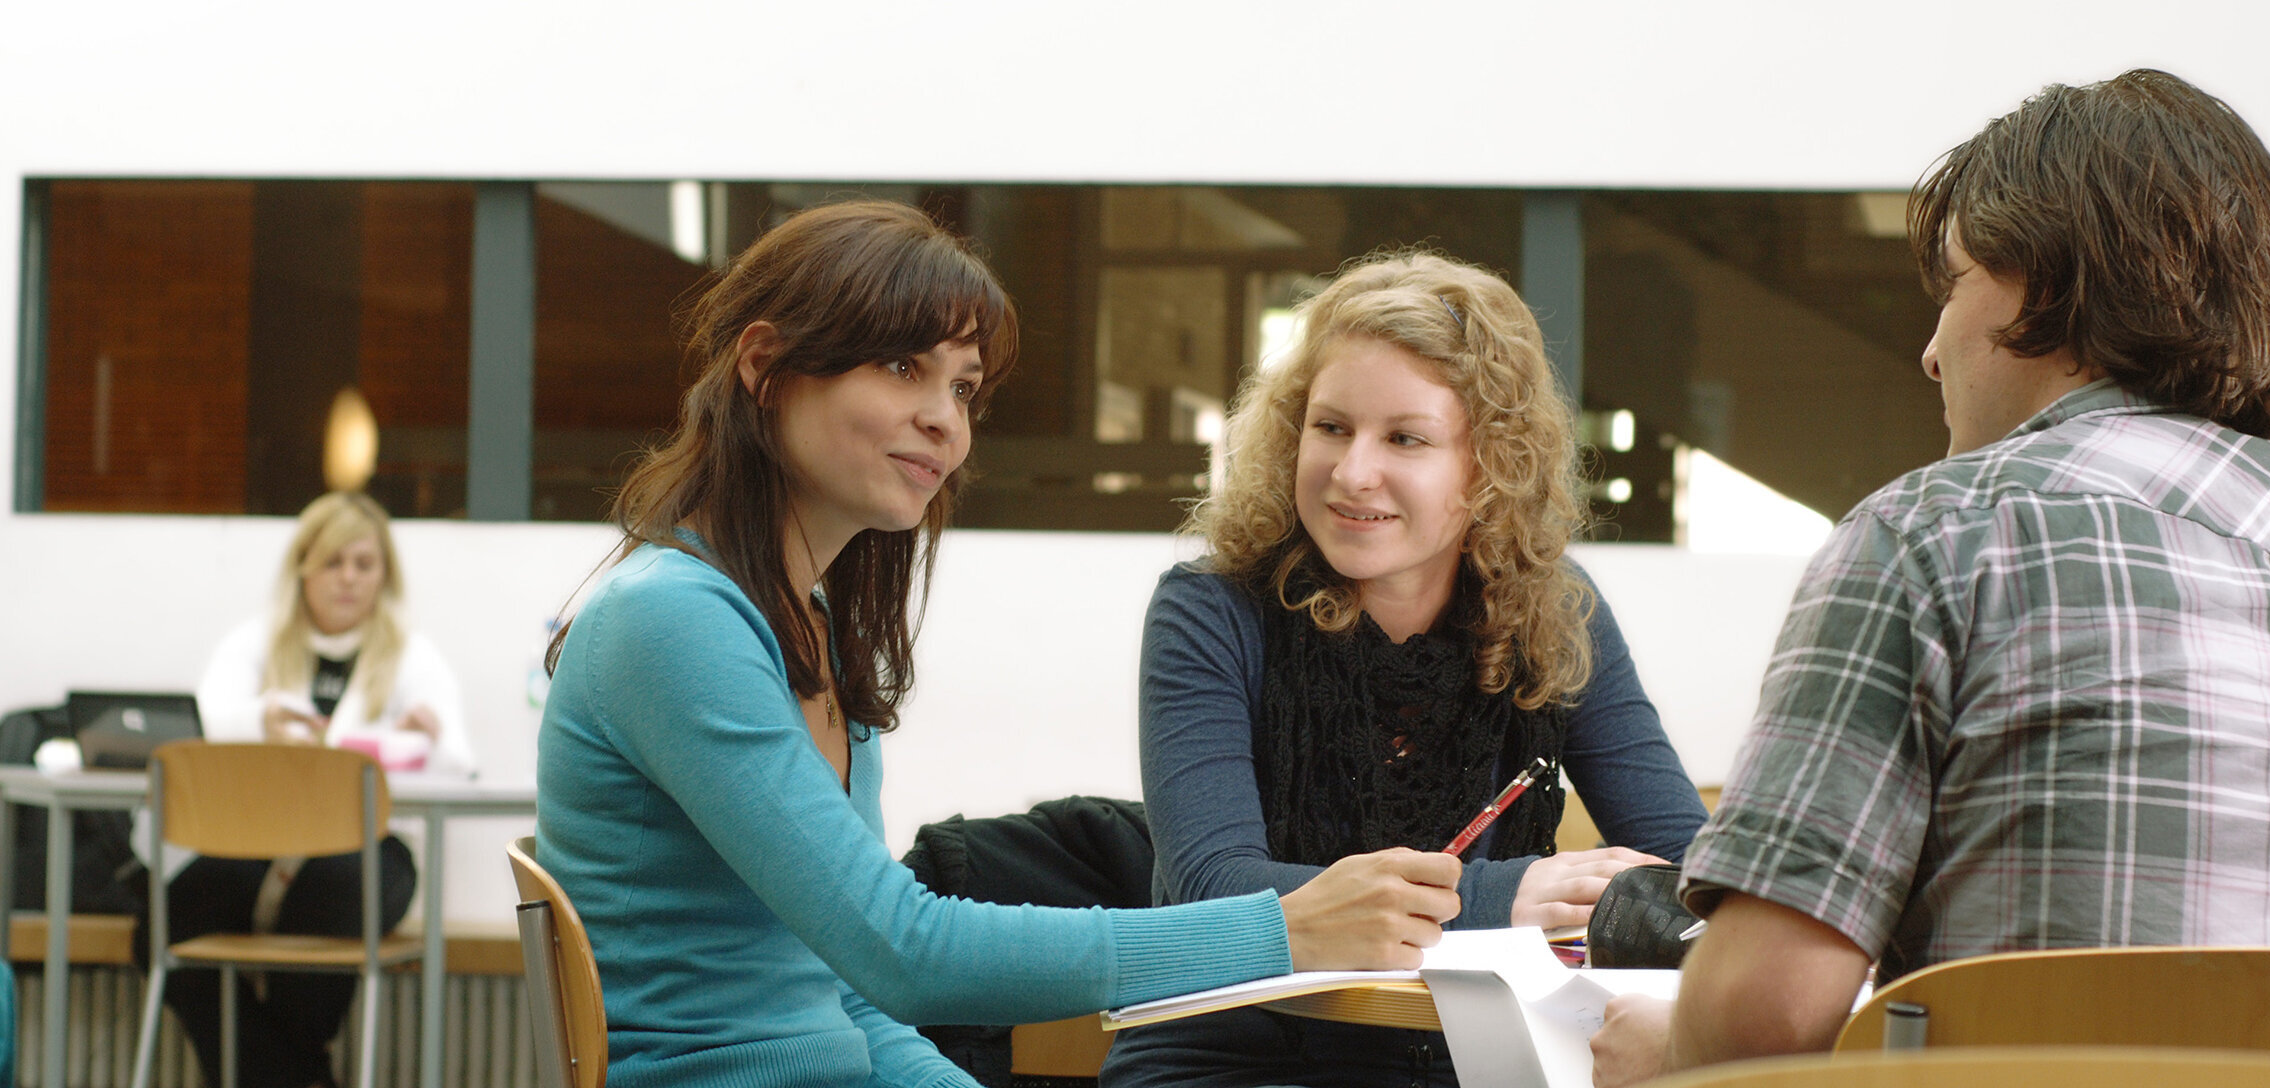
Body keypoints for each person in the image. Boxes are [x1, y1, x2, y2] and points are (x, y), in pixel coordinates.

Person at [534, 200, 1466, 1088]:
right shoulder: (673, 620)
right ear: (766, 368)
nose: (947, 418)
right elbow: (902, 950)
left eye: (964, 387)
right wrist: (1281, 932)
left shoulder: (806, 623)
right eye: (904, 368)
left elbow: (854, 1000)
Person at [1588, 68, 2270, 1087]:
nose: (1931, 351)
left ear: (2048, 283)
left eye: (1954, 286)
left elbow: (1759, 1022)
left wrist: (1662, 1053)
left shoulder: (1935, 532)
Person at [1102, 251, 1709, 1088]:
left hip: (1474, 1061)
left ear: (1490, 466)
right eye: (1331, 427)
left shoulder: (1556, 613)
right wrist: (1506, 897)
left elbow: (1690, 872)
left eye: (1406, 439)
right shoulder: (1211, 610)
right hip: (1233, 1059)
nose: (1353, 473)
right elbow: (1216, 890)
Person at [173, 489, 475, 1088]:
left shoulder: (413, 656)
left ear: (384, 576)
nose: (348, 580)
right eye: (333, 563)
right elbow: (203, 722)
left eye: (364, 565)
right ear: (303, 568)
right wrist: (258, 720)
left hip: (362, 855)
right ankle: (305, 1077)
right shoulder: (254, 642)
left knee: (333, 903)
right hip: (257, 846)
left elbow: (459, 766)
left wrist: (430, 741)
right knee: (160, 924)